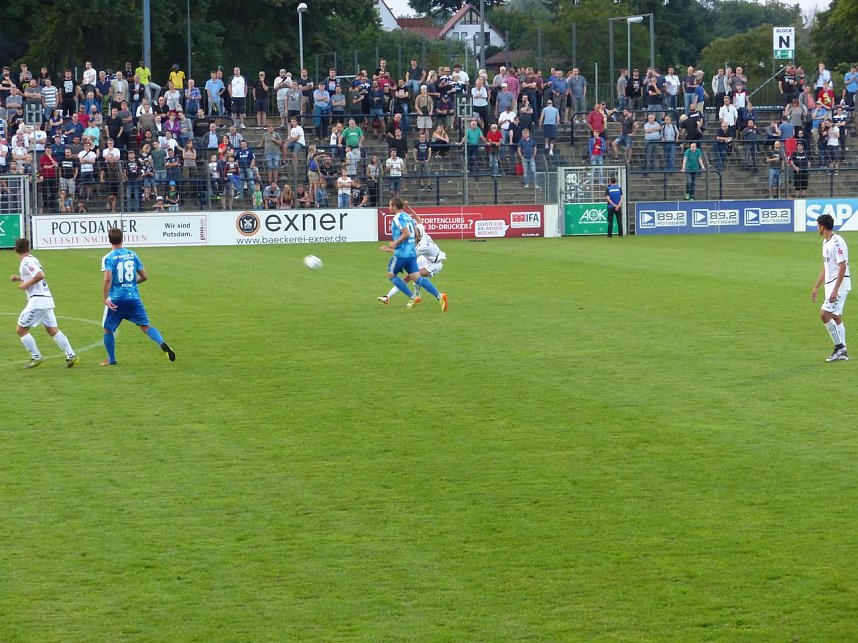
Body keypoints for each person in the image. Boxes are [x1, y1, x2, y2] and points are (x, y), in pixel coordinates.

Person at [100, 227, 175, 366]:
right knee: (146, 326)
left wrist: (105, 298)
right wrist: (131, 283)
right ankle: (162, 343)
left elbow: (108, 278)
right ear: (122, 239)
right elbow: (145, 276)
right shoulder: (132, 255)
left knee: (107, 329)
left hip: (116, 299)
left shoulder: (108, 258)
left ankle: (112, 359)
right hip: (133, 297)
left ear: (109, 240)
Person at [10, 238, 79, 368]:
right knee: (52, 329)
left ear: (15, 250)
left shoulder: (26, 261)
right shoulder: (33, 259)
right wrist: (19, 278)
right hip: (46, 299)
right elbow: (34, 275)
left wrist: (25, 284)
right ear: (28, 248)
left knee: (21, 330)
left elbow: (40, 275)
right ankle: (72, 355)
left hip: (37, 300)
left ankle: (36, 357)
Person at [380, 197, 448, 311]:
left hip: (424, 259)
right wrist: (409, 208)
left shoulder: (399, 219)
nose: (389, 207)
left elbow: (406, 234)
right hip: (417, 255)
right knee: (415, 277)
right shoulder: (411, 220)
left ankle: (413, 297)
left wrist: (393, 245)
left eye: (390, 205)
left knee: (392, 275)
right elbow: (417, 221)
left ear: (395, 207)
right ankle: (439, 296)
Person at [812, 213, 851, 362]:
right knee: (836, 316)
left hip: (839, 285)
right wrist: (816, 287)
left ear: (822, 226)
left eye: (817, 226)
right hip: (831, 285)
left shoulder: (837, 242)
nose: (817, 228)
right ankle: (843, 352)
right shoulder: (825, 242)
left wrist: (835, 289)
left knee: (824, 314)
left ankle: (839, 347)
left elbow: (842, 266)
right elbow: (826, 267)